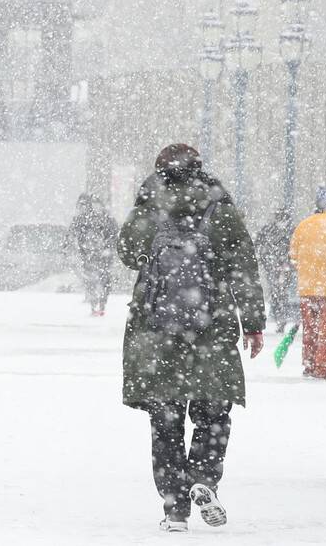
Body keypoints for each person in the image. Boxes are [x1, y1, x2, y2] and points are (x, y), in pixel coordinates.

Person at [117, 144, 265, 533]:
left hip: (156, 332)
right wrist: (252, 321)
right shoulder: (221, 209)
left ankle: (175, 510)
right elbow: (243, 267)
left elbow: (128, 253)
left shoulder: (150, 205)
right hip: (210, 328)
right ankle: (203, 478)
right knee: (213, 414)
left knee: (165, 422)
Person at [289, 185, 326, 380]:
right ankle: (322, 368)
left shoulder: (303, 225)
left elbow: (293, 255)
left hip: (306, 287)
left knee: (310, 329)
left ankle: (310, 364)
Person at [69, 193, 118, 316]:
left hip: (102, 256)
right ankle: (94, 304)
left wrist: (108, 248)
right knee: (90, 280)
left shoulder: (107, 219)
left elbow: (114, 235)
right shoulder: (82, 219)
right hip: (88, 255)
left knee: (103, 279)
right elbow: (73, 234)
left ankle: (101, 304)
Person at [255, 209, 298, 333]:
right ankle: (280, 317)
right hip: (276, 266)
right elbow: (260, 246)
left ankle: (280, 317)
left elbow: (260, 246)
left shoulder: (271, 230)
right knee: (278, 292)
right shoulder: (290, 230)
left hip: (279, 267)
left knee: (279, 292)